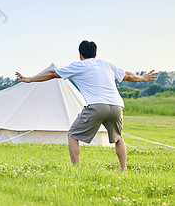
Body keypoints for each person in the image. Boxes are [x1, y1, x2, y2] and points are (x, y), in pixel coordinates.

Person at [15, 40, 157, 171]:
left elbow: (52, 73)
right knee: (118, 138)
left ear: (80, 55)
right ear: (96, 54)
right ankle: (124, 169)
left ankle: (76, 169)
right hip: (117, 106)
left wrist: (29, 79)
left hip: (97, 106)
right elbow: (127, 76)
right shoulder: (106, 65)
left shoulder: (78, 65)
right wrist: (143, 78)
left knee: (72, 135)